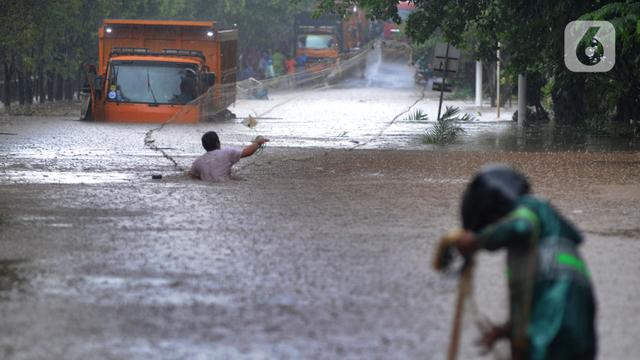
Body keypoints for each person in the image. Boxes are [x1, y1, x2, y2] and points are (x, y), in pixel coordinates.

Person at [443, 165, 597, 360]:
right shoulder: (542, 237)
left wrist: (477, 240)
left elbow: (521, 227)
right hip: (573, 317)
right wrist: (508, 331)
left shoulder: (529, 207)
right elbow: (534, 295)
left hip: (557, 314)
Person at [189, 131, 269, 182]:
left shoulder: (197, 162)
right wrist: (258, 142)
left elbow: (192, 176)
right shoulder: (226, 153)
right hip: (225, 184)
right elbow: (248, 152)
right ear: (218, 142)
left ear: (204, 146)